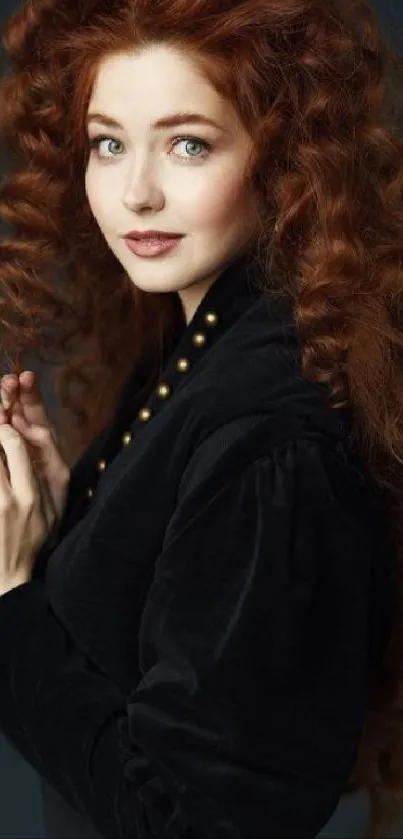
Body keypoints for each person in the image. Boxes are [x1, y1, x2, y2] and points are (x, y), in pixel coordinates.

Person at [0, 0, 402, 836]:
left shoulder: (270, 443)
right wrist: (79, 518)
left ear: (284, 158)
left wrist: (10, 601)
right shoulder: (201, 338)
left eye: (189, 144)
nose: (136, 192)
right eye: (109, 143)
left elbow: (183, 820)